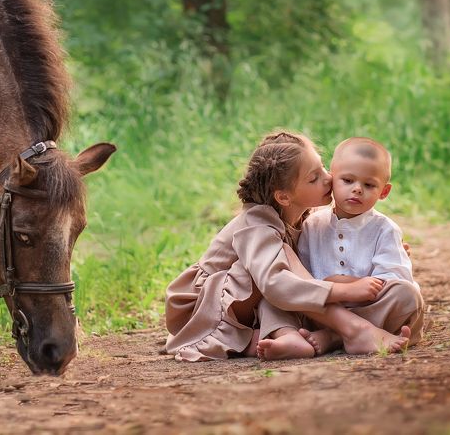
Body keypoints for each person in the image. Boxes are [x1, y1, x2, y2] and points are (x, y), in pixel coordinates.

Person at [164, 130, 411, 362]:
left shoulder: (302, 216)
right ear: (284, 196)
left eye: (323, 167)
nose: (328, 178)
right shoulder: (258, 225)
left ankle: (284, 337)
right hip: (206, 307)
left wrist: (375, 251)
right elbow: (276, 285)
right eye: (314, 177)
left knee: (287, 274)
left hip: (256, 301)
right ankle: (351, 329)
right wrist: (342, 291)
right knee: (281, 266)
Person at [292, 137, 424, 356]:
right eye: (347, 180)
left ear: (384, 191)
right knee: (292, 294)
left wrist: (353, 284)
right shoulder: (312, 225)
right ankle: (342, 332)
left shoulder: (385, 229)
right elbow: (302, 278)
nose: (357, 189)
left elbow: (395, 277)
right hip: (326, 310)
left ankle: (335, 336)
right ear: (331, 180)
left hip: (373, 308)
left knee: (407, 294)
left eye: (369, 185)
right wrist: (335, 285)